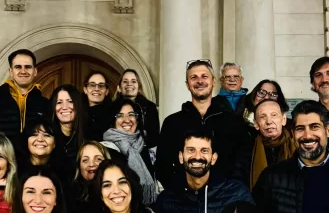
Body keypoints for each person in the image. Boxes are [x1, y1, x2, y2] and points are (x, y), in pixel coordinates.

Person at [155, 60, 252, 188]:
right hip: (184, 198)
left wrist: (229, 189)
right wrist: (180, 189)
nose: (200, 81)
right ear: (187, 84)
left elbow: (244, 161)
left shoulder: (232, 121)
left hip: (224, 197)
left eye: (204, 76)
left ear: (213, 81)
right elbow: (163, 165)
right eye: (193, 77)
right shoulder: (172, 122)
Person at [0, 49, 48, 141]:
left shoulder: (45, 104)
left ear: (35, 71)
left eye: (28, 67)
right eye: (18, 67)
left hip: (33, 155)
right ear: (11, 72)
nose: (23, 71)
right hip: (2, 154)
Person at [101, 96, 157, 205]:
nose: (127, 120)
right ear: (113, 120)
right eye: (120, 116)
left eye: (131, 115)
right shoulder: (104, 149)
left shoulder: (146, 148)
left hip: (145, 210)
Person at [250, 98, 296, 190]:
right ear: (256, 124)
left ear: (283, 119)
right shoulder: (247, 149)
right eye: (263, 117)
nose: (269, 121)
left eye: (274, 115)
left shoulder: (297, 145)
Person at [49, 84, 87, 182]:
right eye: (59, 102)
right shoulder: (48, 137)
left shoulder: (88, 135)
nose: (64, 107)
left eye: (70, 101)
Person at [117, 68, 160, 149]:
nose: (129, 84)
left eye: (133, 81)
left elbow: (154, 137)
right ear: (119, 87)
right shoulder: (111, 108)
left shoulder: (150, 107)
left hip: (143, 151)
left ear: (139, 87)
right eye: (125, 81)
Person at [83, 70, 113, 141]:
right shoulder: (77, 114)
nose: (96, 89)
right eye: (92, 85)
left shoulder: (114, 115)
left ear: (107, 91)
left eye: (101, 86)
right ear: (85, 90)